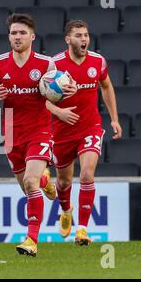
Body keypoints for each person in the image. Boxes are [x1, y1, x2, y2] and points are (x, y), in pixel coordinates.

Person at [0, 13, 77, 257]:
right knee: (29, 187)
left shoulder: (46, 65)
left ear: (32, 36)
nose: (17, 37)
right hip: (11, 134)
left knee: (29, 182)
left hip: (40, 131)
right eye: (14, 33)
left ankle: (31, 240)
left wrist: (70, 89)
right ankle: (46, 182)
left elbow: (66, 85)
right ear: (9, 36)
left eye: (22, 32)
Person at [46, 20, 122, 246]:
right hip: (62, 131)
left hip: (90, 127)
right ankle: (66, 210)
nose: (84, 39)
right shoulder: (54, 64)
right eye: (79, 35)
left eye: (86, 35)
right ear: (68, 40)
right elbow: (40, 100)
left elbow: (106, 86)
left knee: (87, 175)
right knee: (63, 180)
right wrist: (58, 111)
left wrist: (114, 119)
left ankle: (82, 230)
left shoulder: (97, 61)